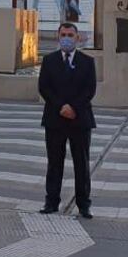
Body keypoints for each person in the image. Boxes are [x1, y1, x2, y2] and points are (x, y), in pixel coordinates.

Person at [37, 22, 97, 219]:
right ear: (58, 36)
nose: (67, 38)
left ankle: (84, 204)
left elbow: (90, 90)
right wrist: (61, 106)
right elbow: (44, 88)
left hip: (79, 120)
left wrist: (73, 108)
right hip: (55, 119)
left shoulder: (87, 62)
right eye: (63, 34)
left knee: (82, 163)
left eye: (70, 35)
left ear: (77, 38)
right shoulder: (49, 61)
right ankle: (51, 201)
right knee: (54, 163)